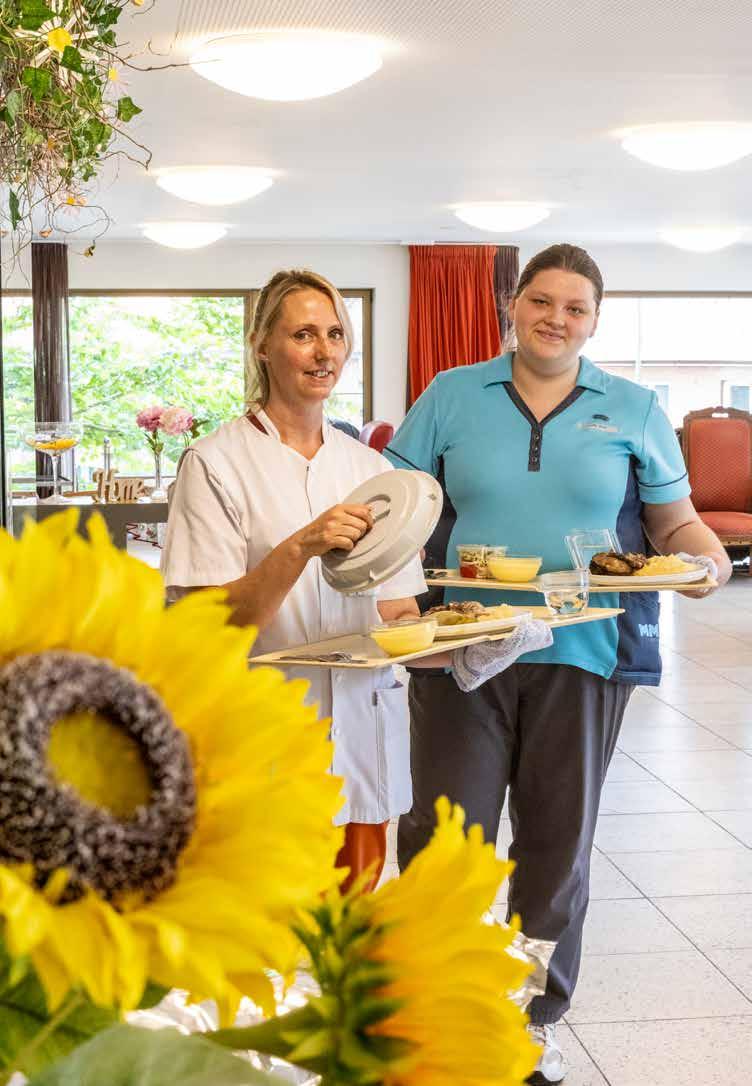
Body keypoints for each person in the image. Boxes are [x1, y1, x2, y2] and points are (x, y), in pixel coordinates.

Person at [385, 244, 731, 1084]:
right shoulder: (451, 393)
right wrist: (391, 592)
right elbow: (394, 507)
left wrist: (707, 558)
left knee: (555, 843)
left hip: (584, 650)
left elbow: (675, 523)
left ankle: (528, 1020)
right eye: (541, 301)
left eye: (576, 307)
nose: (556, 318)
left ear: (595, 320)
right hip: (462, 644)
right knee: (445, 836)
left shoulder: (635, 408)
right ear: (513, 304)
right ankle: (433, 1010)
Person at [160, 268, 426, 893]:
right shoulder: (215, 464)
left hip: (362, 738)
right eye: (303, 334)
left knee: (349, 924)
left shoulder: (370, 468)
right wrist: (301, 546)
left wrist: (473, 637)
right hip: (267, 739)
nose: (324, 351)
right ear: (262, 345)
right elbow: (205, 630)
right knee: (267, 927)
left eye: (335, 334)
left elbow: (398, 615)